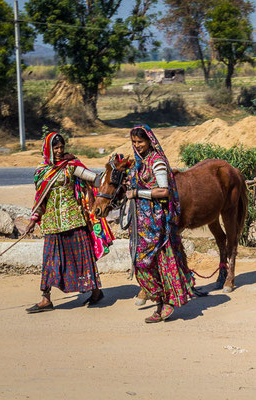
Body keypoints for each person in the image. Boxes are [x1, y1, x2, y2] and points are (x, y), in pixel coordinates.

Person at [25, 132, 112, 313]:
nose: (59, 151)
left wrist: (111, 173)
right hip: (51, 224)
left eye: (61, 147)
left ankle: (96, 292)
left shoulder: (71, 166)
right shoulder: (41, 172)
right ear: (47, 149)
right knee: (50, 261)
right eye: (55, 148)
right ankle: (45, 299)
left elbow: (94, 179)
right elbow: (41, 199)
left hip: (74, 220)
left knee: (83, 259)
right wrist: (33, 220)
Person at [126, 125, 195, 323]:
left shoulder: (157, 162)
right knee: (141, 263)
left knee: (162, 263)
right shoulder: (139, 163)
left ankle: (166, 303)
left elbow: (163, 191)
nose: (137, 146)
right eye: (134, 142)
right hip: (141, 224)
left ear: (149, 141)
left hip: (159, 224)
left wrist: (138, 193)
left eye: (140, 142)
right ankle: (158, 298)